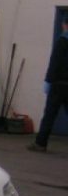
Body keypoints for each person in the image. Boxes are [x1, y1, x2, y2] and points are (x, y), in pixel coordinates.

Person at [28, 15, 68, 152]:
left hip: (58, 85)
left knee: (50, 115)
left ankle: (40, 143)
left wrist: (48, 81)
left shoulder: (62, 41)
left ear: (64, 25)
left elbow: (54, 63)